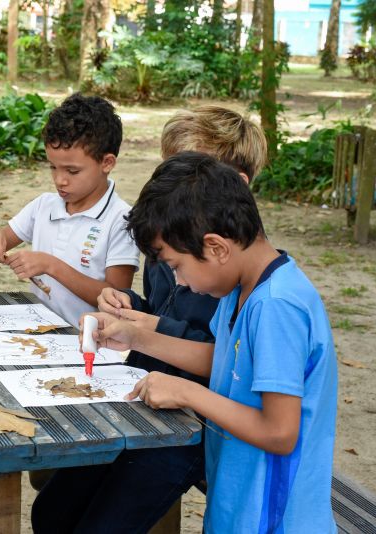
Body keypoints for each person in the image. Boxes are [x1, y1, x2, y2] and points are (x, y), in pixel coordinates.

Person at [31, 106, 269, 532]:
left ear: (235, 185)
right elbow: (163, 311)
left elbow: (225, 359)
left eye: (192, 173)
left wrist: (143, 331)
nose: (174, 187)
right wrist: (126, 305)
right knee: (51, 511)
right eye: (170, 170)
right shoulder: (173, 240)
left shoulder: (238, 270)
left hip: (193, 422)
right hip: (142, 393)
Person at [99, 152, 337, 532]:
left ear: (216, 248)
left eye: (176, 266)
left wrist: (188, 394)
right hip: (238, 502)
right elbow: (228, 363)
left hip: (273, 516)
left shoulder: (277, 306)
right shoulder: (240, 288)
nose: (177, 282)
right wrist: (138, 337)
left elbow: (279, 432)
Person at [0, 93, 139, 327]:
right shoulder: (44, 206)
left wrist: (51, 266)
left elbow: (116, 298)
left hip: (90, 343)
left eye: (72, 171)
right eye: (53, 167)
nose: (60, 180)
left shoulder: (120, 219)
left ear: (107, 163)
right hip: (40, 331)